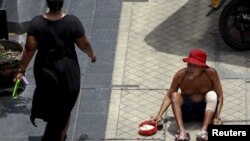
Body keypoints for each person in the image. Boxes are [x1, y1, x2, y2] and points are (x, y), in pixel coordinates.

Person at [14, 0, 96, 141]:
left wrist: (21, 70)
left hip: (45, 72)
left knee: (53, 104)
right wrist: (91, 54)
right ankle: (59, 136)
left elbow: (29, 48)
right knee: (65, 106)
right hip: (68, 72)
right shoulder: (72, 22)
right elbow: (84, 44)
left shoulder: (36, 23)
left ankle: (58, 134)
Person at [155, 49, 223, 141]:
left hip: (204, 112)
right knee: (174, 95)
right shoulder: (180, 75)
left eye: (194, 65)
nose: (190, 68)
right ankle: (182, 132)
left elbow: (220, 96)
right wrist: (159, 115)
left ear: (202, 67)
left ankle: (204, 131)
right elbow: (168, 96)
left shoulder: (211, 73)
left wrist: (217, 116)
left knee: (212, 94)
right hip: (186, 111)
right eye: (189, 64)